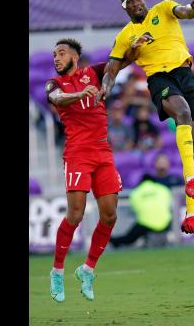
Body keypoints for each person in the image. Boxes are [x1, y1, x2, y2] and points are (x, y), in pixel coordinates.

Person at [97, 0, 194, 237]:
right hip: (160, 78)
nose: (136, 4)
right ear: (124, 7)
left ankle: (192, 217)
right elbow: (112, 68)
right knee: (181, 113)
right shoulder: (126, 35)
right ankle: (192, 181)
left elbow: (184, 11)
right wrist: (106, 86)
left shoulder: (163, 8)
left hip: (184, 73)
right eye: (130, 2)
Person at [44, 38, 127, 303]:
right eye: (54, 54)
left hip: (103, 152)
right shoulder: (55, 84)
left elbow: (122, 61)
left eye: (62, 53)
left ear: (75, 56)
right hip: (78, 153)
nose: (56, 58)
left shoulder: (94, 72)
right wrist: (78, 94)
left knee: (110, 214)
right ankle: (57, 271)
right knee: (76, 214)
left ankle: (87, 269)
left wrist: (136, 43)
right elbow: (55, 98)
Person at [109, 174, 172, 248]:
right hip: (166, 224)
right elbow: (168, 204)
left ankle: (113, 241)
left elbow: (135, 209)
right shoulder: (163, 189)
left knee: (130, 238)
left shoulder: (136, 192)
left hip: (145, 225)